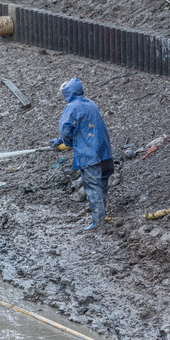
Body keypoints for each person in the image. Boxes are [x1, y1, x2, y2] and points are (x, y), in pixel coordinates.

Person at [48, 77, 113, 230]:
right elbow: (85, 126)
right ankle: (102, 216)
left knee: (92, 187)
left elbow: (65, 130)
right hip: (104, 152)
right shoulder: (91, 104)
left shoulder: (71, 107)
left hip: (89, 155)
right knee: (103, 185)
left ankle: (98, 222)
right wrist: (59, 141)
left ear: (67, 93)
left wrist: (67, 142)